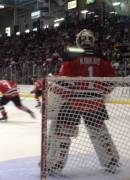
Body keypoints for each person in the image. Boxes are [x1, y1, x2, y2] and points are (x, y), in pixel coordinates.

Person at [45, 29, 120, 176]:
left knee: (63, 132)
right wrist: (100, 93)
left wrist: (52, 85)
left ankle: (55, 164)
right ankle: (111, 161)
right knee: (100, 132)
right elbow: (111, 82)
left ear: (78, 40)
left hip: (74, 102)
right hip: (96, 102)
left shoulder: (71, 56)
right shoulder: (103, 58)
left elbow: (65, 85)